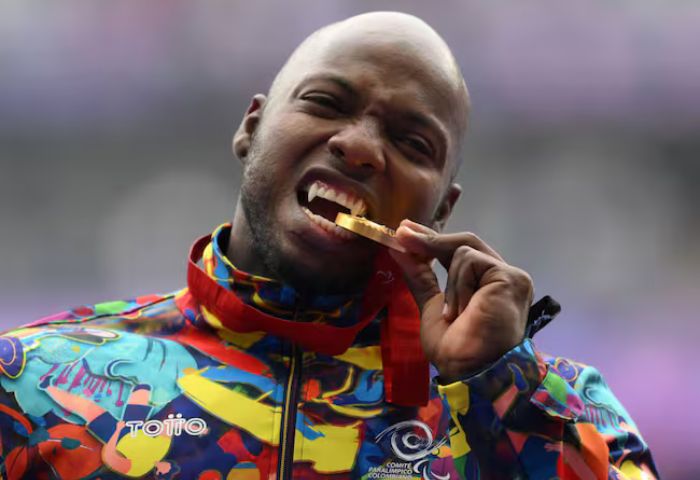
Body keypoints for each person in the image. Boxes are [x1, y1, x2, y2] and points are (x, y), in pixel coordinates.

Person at [0, 11, 658, 480]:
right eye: (325, 102)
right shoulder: (30, 384)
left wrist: (501, 386)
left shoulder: (562, 404)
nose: (360, 147)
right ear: (252, 127)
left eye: (413, 143)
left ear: (441, 209)